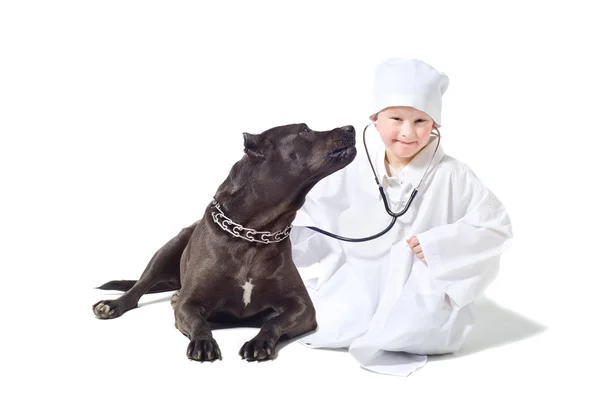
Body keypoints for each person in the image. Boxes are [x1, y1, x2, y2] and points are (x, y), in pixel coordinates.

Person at [289, 57, 514, 376]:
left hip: (420, 296)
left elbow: (496, 229)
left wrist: (440, 246)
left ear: (434, 124)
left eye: (421, 121)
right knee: (328, 325)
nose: (408, 132)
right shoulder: (350, 170)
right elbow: (312, 222)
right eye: (396, 118)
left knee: (413, 331)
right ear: (376, 119)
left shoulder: (454, 176)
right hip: (355, 286)